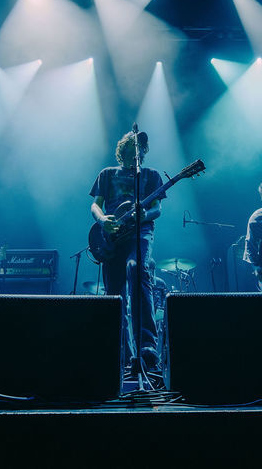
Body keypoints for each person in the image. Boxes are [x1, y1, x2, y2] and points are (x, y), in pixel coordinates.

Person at [90, 130, 164, 372]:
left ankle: (147, 348)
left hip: (140, 232)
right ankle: (121, 353)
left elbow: (157, 209)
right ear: (123, 151)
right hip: (111, 237)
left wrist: (145, 214)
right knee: (114, 292)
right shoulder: (107, 174)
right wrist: (102, 220)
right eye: (132, 149)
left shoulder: (151, 175)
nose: (136, 153)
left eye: (140, 149)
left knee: (136, 268)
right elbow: (95, 205)